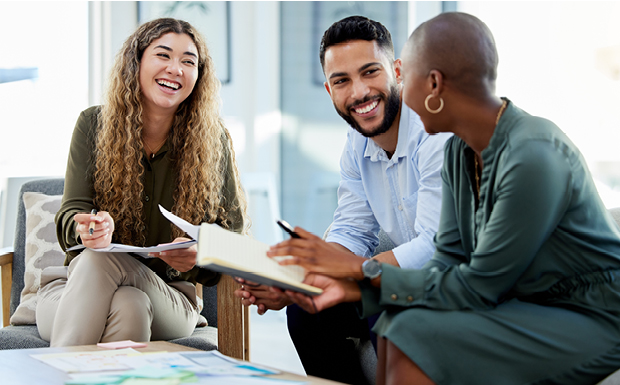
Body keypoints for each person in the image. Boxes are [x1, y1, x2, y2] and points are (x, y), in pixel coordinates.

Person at [268, 12, 620, 385]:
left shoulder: (533, 154)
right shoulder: (460, 152)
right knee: (401, 328)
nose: (400, 97)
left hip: (588, 312)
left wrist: (359, 274)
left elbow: (478, 285)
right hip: (519, 300)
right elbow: (448, 258)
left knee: (413, 333)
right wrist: (342, 284)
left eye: (405, 77)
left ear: (431, 83)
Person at [236, 16, 450, 384]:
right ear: (329, 89)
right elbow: (352, 229)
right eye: (342, 81)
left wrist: (349, 271)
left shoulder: (434, 134)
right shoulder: (356, 144)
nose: (359, 92)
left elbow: (433, 248)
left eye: (370, 72)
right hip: (397, 277)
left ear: (397, 70)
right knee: (306, 313)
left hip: (445, 283)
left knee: (381, 302)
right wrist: (296, 283)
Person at [36, 18, 247, 347]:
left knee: (102, 264)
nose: (175, 69)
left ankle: (56, 372)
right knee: (129, 305)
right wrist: (88, 229)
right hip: (71, 290)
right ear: (137, 62)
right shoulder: (93, 125)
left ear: (199, 76)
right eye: (163, 55)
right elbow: (72, 212)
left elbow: (233, 239)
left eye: (188, 61)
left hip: (170, 297)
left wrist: (199, 254)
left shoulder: (213, 141)